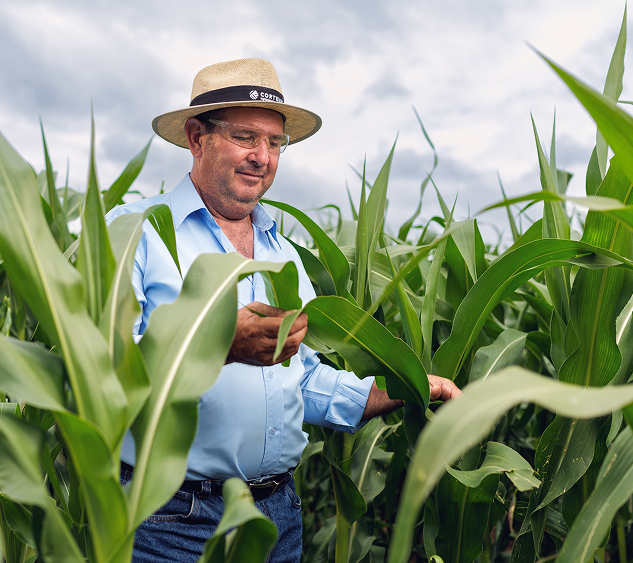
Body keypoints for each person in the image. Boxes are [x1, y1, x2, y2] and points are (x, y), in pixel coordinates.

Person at [105, 58, 461, 563]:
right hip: (169, 522)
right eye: (246, 137)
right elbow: (98, 372)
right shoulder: (133, 231)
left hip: (276, 518)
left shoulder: (283, 254)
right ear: (195, 137)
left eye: (275, 143)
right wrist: (221, 346)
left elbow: (304, 380)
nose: (262, 157)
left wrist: (402, 388)